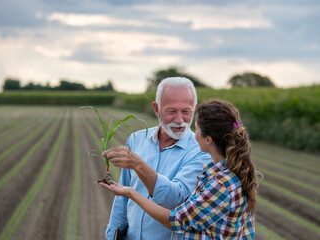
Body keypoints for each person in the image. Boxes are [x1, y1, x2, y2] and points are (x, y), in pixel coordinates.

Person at [101, 99, 258, 239]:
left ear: (208, 139)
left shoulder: (222, 182)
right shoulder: (219, 171)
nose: (191, 134)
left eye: (195, 129)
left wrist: (132, 193)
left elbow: (177, 220)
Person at [103, 77, 212, 240]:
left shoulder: (201, 150)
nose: (179, 120)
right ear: (157, 109)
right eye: (171, 111)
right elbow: (122, 196)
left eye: (186, 111)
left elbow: (177, 198)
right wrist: (112, 234)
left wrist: (138, 165)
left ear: (194, 109)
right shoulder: (136, 139)